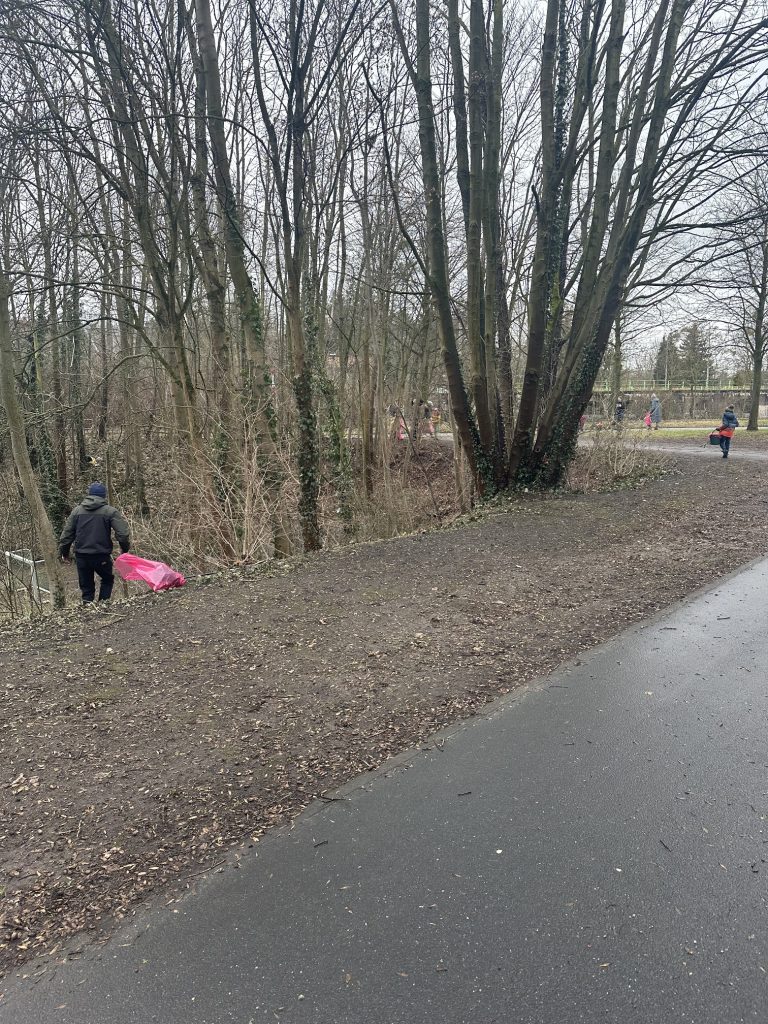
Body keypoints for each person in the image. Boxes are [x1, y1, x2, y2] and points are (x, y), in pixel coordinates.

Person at [59, 482, 131, 603]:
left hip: (82, 555)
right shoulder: (110, 511)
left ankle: (88, 608)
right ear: (104, 496)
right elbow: (123, 534)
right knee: (107, 580)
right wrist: (124, 549)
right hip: (101, 555)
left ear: (89, 495)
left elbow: (66, 535)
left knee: (86, 587)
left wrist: (64, 553)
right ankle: (103, 604)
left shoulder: (77, 511)